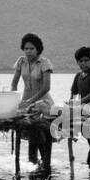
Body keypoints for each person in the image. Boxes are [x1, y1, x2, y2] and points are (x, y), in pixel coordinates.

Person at [10, 33, 53, 165]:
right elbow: (14, 83)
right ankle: (35, 161)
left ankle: (43, 161)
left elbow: (46, 87)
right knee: (30, 130)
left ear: (38, 49)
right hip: (25, 102)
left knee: (39, 130)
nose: (28, 51)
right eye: (26, 48)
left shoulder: (44, 63)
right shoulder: (21, 61)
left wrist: (32, 100)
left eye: (31, 48)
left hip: (43, 103)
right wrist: (13, 99)